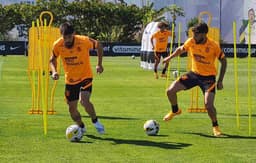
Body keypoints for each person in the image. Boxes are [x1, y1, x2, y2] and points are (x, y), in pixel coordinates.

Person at [162, 22, 227, 137]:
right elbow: (180, 49)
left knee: (208, 105)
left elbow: (224, 61)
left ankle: (215, 126)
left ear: (204, 34)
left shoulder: (213, 45)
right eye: (193, 33)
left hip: (208, 78)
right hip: (193, 75)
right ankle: (175, 110)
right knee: (170, 91)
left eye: (196, 34)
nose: (194, 36)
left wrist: (220, 80)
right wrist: (169, 58)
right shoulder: (191, 41)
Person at [49, 22, 105, 135]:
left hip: (85, 76)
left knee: (84, 101)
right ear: (61, 35)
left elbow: (98, 45)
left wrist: (99, 64)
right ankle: (81, 127)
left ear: (74, 34)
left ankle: (95, 121)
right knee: (72, 109)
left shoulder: (83, 40)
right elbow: (52, 59)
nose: (67, 40)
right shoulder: (57, 45)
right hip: (70, 80)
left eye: (69, 37)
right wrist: (54, 71)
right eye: (65, 37)